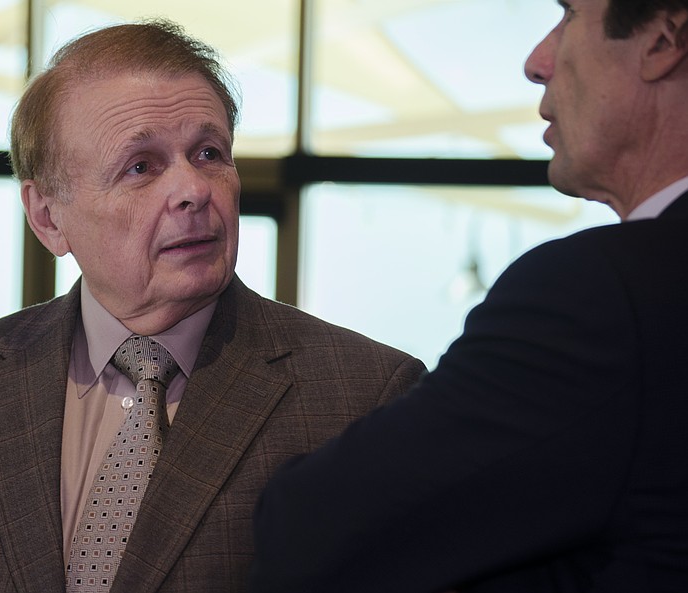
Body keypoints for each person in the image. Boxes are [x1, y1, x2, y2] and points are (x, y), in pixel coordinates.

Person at [0, 20, 425, 593]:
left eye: (209, 153)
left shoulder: (364, 396)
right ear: (48, 217)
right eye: (141, 166)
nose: (194, 190)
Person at [251, 1, 688, 591]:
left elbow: (307, 531)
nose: (537, 61)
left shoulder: (606, 295)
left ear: (663, 38)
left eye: (568, 15)